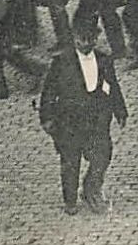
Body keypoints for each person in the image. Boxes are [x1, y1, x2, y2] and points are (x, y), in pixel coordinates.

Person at [37, 13, 128, 215]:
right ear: (74, 37)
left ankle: (91, 188)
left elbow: (113, 86)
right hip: (69, 121)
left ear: (96, 38)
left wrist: (120, 110)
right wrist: (46, 118)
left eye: (90, 39)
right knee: (70, 161)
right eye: (81, 39)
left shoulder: (104, 60)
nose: (86, 43)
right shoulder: (62, 62)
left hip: (96, 119)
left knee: (102, 155)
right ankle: (70, 199)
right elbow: (49, 93)